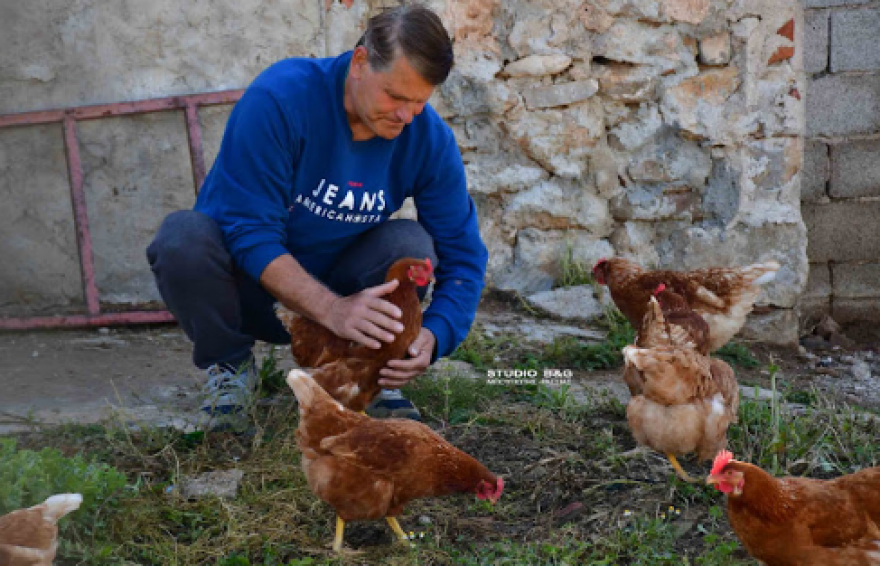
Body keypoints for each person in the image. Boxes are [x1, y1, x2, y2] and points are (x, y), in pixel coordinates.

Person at [146, 4, 488, 430]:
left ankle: (363, 370)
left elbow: (464, 254)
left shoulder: (427, 137)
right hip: (251, 294)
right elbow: (250, 233)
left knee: (410, 246)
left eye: (418, 102)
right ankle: (230, 368)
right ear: (360, 62)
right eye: (396, 97)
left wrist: (435, 334)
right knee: (182, 240)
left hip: (345, 293)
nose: (406, 115)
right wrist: (332, 309)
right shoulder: (282, 98)